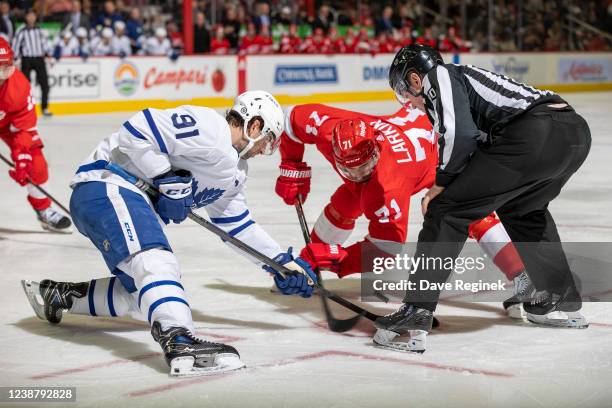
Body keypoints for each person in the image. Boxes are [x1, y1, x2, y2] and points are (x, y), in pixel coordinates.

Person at [21, 91, 317, 377]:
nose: (265, 151)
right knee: (156, 261)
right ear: (255, 125)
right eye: (267, 141)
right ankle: (180, 341)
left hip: (124, 201)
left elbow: (237, 225)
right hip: (108, 184)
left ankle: (58, 296)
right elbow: (136, 130)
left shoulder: (236, 171)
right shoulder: (210, 127)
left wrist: (280, 263)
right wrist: (165, 177)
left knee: (145, 298)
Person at [377, 44, 591, 351]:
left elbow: (459, 134)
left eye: (404, 92)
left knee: (445, 210)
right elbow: (476, 147)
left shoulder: (439, 75)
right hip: (573, 134)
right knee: (524, 210)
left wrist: (442, 183)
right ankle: (557, 300)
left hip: (535, 133)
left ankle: (416, 310)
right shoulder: (465, 81)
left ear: (413, 79)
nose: (409, 102)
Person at [275, 103, 532, 318]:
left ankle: (523, 276)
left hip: (446, 151)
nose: (358, 174)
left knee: (468, 211)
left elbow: (386, 250)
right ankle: (307, 269)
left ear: (376, 149)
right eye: (349, 169)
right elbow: (291, 121)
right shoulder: (329, 129)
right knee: (348, 199)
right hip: (418, 123)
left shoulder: (388, 186)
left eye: (365, 167)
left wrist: (338, 258)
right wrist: (291, 165)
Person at [0, 38, 72, 233]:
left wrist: (21, 156)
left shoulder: (19, 86)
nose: (2, 74)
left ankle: (43, 209)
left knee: (35, 162)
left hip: (7, 124)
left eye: (5, 67)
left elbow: (24, 128)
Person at [11, 10, 52, 117]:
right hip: (27, 59)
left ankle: (45, 108)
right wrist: (15, 59)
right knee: (24, 86)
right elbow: (16, 45)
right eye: (29, 16)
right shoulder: (22, 31)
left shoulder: (40, 30)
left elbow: (46, 44)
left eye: (33, 15)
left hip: (39, 59)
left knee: (45, 84)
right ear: (26, 17)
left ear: (35, 17)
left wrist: (48, 54)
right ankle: (23, 108)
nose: (31, 18)